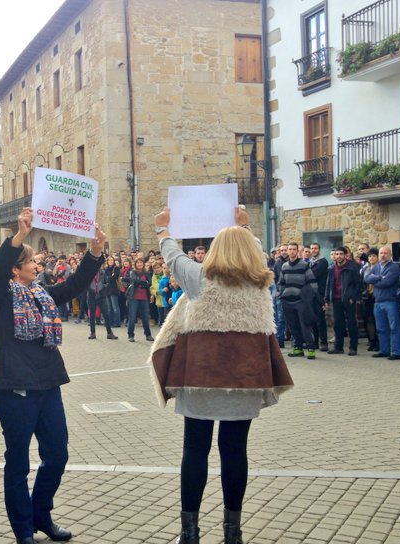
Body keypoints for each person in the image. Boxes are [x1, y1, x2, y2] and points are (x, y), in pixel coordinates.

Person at [149, 205, 293, 544]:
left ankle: (190, 532)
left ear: (214, 252)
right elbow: (254, 252)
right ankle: (232, 531)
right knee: (235, 451)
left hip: (200, 379)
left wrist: (162, 230)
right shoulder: (259, 285)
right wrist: (245, 227)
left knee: (194, 451)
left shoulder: (200, 279)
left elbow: (173, 257)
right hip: (243, 383)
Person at [0, 207, 106, 544]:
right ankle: (23, 530)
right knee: (18, 463)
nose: (38, 266)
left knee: (57, 455)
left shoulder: (41, 294)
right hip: (16, 388)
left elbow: (75, 285)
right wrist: (18, 237)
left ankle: (41, 514)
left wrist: (94, 255)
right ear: (15, 269)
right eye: (31, 262)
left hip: (49, 385)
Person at [278, 242, 318, 359]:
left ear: (297, 251)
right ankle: (298, 348)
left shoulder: (303, 265)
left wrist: (308, 297)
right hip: (287, 301)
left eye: (294, 249)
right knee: (293, 326)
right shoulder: (284, 266)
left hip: (300, 301)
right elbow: (281, 282)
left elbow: (312, 282)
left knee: (304, 325)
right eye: (289, 249)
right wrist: (283, 293)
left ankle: (311, 348)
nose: (291, 251)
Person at [364, 246, 400, 360]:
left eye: (385, 253)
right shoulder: (376, 267)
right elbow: (366, 278)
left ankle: (396, 352)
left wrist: (375, 281)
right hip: (378, 302)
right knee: (381, 328)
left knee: (394, 327)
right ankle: (384, 350)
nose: (383, 255)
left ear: (390, 254)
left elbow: (388, 282)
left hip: (391, 301)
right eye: (381, 253)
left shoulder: (394, 267)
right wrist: (380, 277)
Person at [324, 246, 361, 355]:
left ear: (345, 255)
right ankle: (338, 347)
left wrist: (353, 297)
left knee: (351, 324)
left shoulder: (352, 267)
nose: (338, 256)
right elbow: (328, 284)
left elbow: (358, 284)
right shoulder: (331, 268)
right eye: (336, 254)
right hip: (336, 299)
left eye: (341, 254)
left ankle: (353, 348)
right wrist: (326, 298)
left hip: (348, 299)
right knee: (338, 324)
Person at [124, 258, 154, 343]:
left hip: (144, 297)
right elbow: (134, 281)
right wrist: (144, 283)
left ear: (143, 264)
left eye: (141, 262)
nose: (140, 264)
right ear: (135, 264)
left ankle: (148, 335)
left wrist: (142, 283)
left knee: (145, 317)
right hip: (133, 297)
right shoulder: (132, 272)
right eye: (138, 263)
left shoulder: (147, 272)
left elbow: (149, 283)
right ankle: (131, 335)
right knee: (132, 317)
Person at [86, 261, 117, 340]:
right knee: (92, 315)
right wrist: (91, 289)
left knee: (106, 314)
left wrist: (102, 287)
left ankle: (109, 333)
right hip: (91, 296)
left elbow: (107, 282)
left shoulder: (103, 272)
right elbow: (85, 284)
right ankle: (93, 333)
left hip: (101, 296)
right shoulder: (88, 273)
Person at [308, 243, 329, 351]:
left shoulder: (323, 262)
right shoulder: (310, 262)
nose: (313, 250)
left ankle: (324, 342)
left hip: (320, 294)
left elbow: (312, 275)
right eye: (311, 248)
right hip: (311, 294)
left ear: (319, 249)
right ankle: (315, 342)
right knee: (312, 320)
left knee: (320, 320)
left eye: (315, 248)